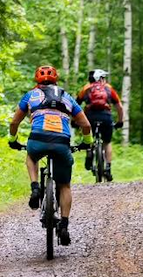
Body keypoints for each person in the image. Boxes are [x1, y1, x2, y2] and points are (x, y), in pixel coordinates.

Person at [8, 64, 93, 246]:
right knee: (64, 185)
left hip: (37, 139)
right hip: (62, 142)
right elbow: (85, 125)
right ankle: (64, 225)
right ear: (56, 79)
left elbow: (14, 122)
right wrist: (87, 142)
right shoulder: (67, 97)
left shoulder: (31, 95)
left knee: (31, 157)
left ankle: (35, 187)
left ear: (36, 80)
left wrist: (13, 139)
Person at [76, 68, 125, 182]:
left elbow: (76, 105)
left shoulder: (86, 88)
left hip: (90, 117)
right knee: (107, 143)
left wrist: (75, 121)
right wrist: (120, 121)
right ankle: (108, 168)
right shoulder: (109, 88)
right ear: (101, 78)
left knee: (89, 137)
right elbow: (119, 107)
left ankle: (89, 152)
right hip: (105, 116)